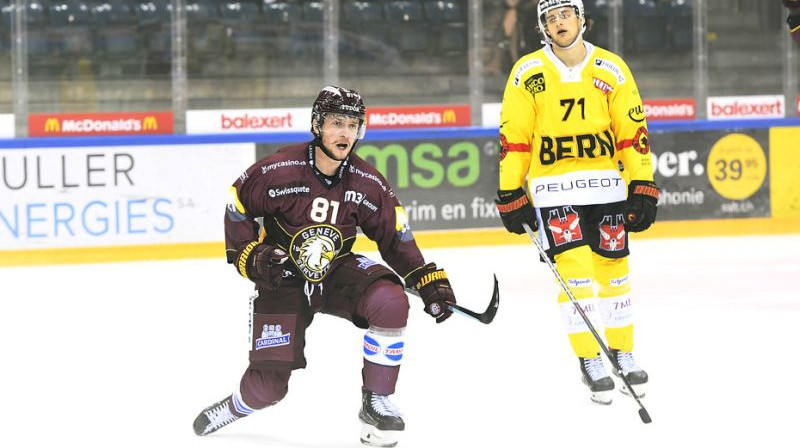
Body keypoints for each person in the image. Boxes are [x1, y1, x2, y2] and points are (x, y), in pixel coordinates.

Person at [192, 85, 458, 447]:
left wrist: (426, 278)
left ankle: (376, 402)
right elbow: (237, 203)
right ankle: (239, 404)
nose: (345, 133)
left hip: (335, 272)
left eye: (353, 124)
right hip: (282, 278)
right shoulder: (279, 170)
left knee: (391, 300)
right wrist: (250, 255)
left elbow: (394, 238)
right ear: (317, 125)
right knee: (267, 389)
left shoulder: (367, 182)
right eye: (337, 122)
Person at [493, 0, 659, 405]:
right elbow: (515, 139)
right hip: (555, 192)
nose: (559, 22)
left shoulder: (612, 69)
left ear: (582, 19)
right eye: (550, 18)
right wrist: (511, 192)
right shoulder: (528, 72)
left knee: (615, 271)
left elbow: (632, 132)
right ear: (542, 29)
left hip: (606, 189)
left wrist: (642, 183)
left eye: (566, 14)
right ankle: (591, 359)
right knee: (575, 273)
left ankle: (622, 349)